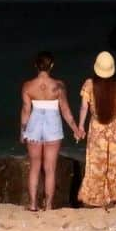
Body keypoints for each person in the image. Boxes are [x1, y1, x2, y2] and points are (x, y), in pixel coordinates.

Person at [20, 51, 81, 211]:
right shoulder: (59, 86)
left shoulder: (27, 86)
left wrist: (22, 131)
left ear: (36, 65)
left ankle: (33, 204)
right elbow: (65, 109)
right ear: (52, 66)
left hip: (34, 123)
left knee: (34, 166)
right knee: (50, 168)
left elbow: (26, 110)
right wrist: (75, 128)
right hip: (53, 123)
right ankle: (48, 205)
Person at [78, 50, 116, 208]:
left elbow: (83, 108)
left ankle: (98, 199)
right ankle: (115, 199)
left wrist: (81, 126)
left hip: (97, 128)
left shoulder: (89, 84)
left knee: (97, 164)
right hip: (115, 127)